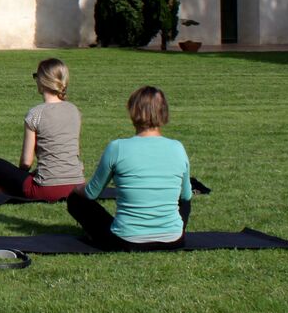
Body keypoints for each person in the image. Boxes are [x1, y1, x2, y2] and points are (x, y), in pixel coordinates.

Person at [64, 86, 193, 251]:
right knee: (185, 201)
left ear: (132, 111)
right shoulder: (177, 148)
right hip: (173, 240)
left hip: (125, 240)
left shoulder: (117, 148)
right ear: (164, 112)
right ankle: (166, 229)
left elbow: (91, 193)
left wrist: (76, 189)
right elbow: (186, 196)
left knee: (76, 200)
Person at [0, 58, 83, 201]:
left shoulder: (36, 113)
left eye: (36, 76)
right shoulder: (74, 110)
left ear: (43, 80)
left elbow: (26, 162)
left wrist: (17, 178)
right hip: (77, 185)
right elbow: (73, 152)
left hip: (46, 189)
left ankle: (7, 189)